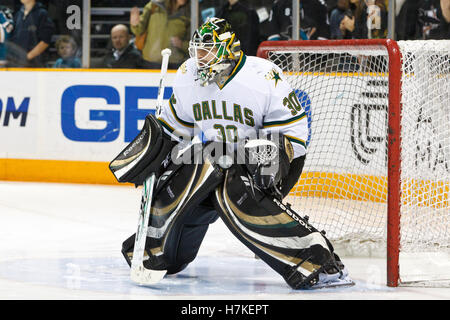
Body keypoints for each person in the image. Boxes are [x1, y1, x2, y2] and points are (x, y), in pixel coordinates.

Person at [111, 17, 352, 290]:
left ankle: (317, 261)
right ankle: (157, 251)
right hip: (218, 158)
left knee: (235, 191)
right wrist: (156, 153)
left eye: (207, 51)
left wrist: (272, 161)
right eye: (197, 51)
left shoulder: (262, 75)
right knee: (187, 172)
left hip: (265, 158)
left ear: (228, 50)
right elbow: (173, 130)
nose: (200, 59)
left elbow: (292, 136)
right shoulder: (189, 74)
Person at [129, 0, 190, 69]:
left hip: (176, 62)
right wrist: (135, 24)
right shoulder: (154, 6)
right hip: (151, 61)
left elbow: (195, 42)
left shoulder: (192, 12)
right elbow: (138, 31)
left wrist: (182, 44)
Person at [9, 0, 55, 67]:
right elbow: (13, 38)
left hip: (34, 65)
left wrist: (27, 58)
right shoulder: (18, 14)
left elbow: (45, 41)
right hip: (17, 64)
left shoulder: (42, 14)